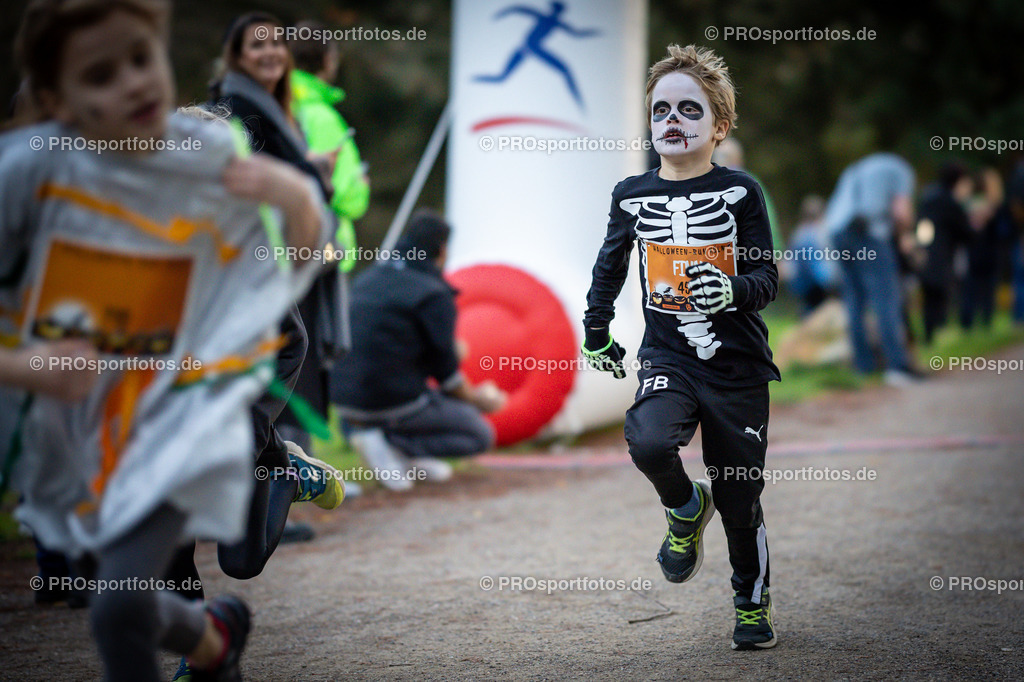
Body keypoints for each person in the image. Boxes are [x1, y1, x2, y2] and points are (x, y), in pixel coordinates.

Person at [5, 2, 332, 680]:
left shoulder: (211, 179)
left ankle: (277, 469)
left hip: (190, 418)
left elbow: (290, 299)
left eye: (140, 58)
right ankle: (211, 644)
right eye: (100, 74)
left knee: (123, 608)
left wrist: (297, 200)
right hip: (88, 435)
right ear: (55, 103)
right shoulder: (32, 185)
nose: (130, 82)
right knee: (119, 596)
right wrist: (31, 366)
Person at [582, 44, 779, 650]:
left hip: (737, 365)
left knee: (740, 495)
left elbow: (768, 279)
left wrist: (733, 289)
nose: (672, 120)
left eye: (689, 110)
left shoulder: (741, 192)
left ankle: (750, 599)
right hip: (668, 356)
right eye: (661, 109)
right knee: (647, 439)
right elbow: (609, 267)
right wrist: (596, 331)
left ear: (719, 127)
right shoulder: (630, 194)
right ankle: (684, 505)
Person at [212, 12, 345, 461]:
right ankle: (275, 471)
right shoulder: (236, 110)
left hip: (288, 262)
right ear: (236, 56)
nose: (269, 52)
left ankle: (275, 481)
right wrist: (312, 174)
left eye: (276, 43)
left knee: (289, 361)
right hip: (251, 264)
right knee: (275, 366)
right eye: (256, 45)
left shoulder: (277, 110)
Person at [330, 210, 505, 491]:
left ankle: (395, 453)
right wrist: (478, 400)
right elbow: (448, 378)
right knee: (480, 434)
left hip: (343, 402)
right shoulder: (434, 293)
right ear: (443, 250)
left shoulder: (370, 277)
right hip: (391, 401)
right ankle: (390, 443)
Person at [825, 152, 919, 385]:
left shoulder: (856, 167)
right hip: (869, 232)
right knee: (886, 298)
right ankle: (897, 367)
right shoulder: (901, 170)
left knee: (854, 301)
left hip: (838, 232)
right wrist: (905, 234)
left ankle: (864, 367)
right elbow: (901, 212)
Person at [288, 20, 370, 270]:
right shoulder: (322, 117)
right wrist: (362, 186)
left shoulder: (281, 105)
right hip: (325, 251)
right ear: (326, 59)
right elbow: (342, 193)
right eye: (334, 54)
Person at [915, 163, 974, 344]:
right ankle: (938, 334)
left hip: (926, 252)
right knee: (940, 295)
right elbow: (965, 231)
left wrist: (922, 245)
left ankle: (929, 336)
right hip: (942, 254)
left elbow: (922, 225)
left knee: (929, 296)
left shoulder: (929, 196)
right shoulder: (950, 201)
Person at [785, 194, 837, 314]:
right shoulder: (812, 235)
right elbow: (817, 270)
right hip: (814, 289)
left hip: (800, 287)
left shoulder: (798, 234)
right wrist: (832, 283)